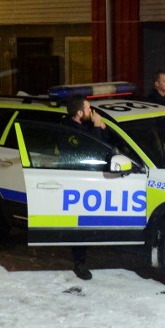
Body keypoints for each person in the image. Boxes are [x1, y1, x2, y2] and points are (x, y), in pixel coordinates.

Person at [62, 95, 109, 281]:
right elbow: (92, 149)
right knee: (80, 225)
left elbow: (107, 146)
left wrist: (101, 128)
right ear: (79, 113)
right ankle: (79, 262)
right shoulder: (69, 132)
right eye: (88, 109)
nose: (92, 112)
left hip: (94, 180)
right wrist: (97, 127)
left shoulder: (86, 125)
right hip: (77, 182)